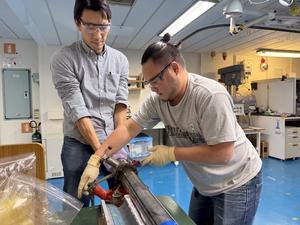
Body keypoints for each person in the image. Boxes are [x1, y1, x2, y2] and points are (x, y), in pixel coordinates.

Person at [78, 33, 262, 225]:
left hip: (237, 180)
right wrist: (96, 158)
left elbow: (223, 153)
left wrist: (171, 153)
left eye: (156, 80)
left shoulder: (209, 96)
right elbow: (128, 129)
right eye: (149, 83)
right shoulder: (158, 100)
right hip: (205, 183)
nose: (153, 88)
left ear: (175, 68)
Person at [50, 0, 129, 207]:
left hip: (112, 140)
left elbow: (121, 105)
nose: (98, 34)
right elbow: (78, 111)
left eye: (103, 26)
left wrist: (119, 142)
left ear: (110, 23)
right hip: (78, 142)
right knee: (77, 203)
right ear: (78, 23)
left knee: (121, 197)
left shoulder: (120, 60)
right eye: (90, 26)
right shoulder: (64, 59)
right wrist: (98, 155)